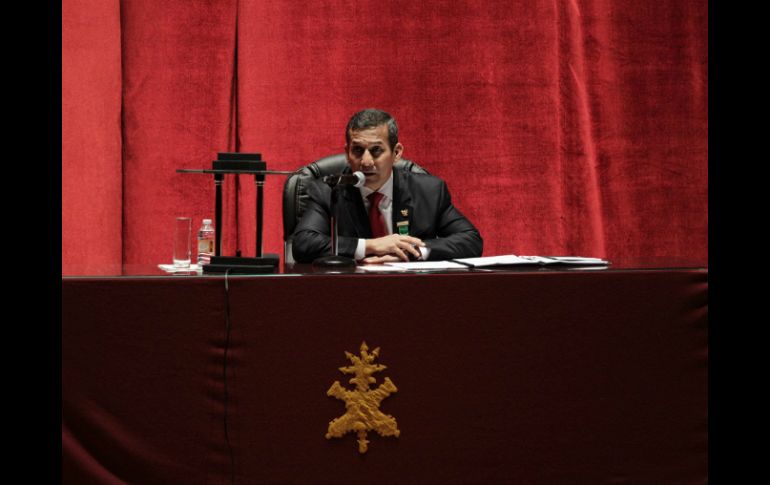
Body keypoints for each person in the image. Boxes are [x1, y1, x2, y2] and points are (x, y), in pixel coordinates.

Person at [292, 108, 483, 264]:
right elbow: (303, 244)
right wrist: (371, 246)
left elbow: (470, 240)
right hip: (349, 294)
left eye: (376, 151)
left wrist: (410, 250)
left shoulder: (429, 191)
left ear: (396, 152)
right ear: (347, 152)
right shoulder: (327, 190)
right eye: (357, 150)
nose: (366, 161)